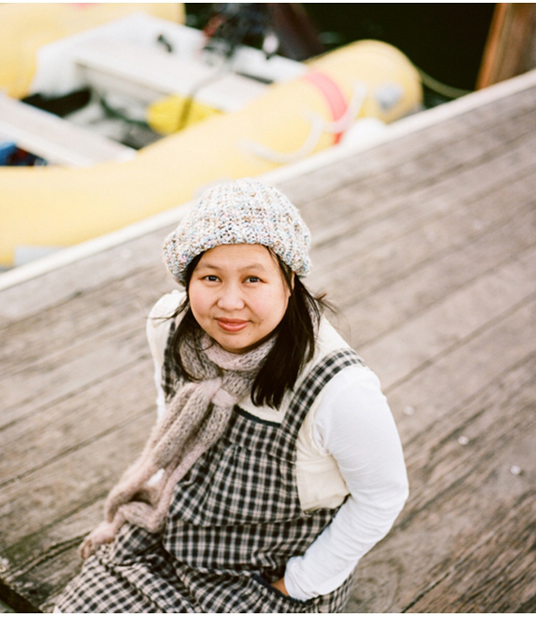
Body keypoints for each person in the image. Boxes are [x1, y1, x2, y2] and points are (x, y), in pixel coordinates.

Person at [55, 178, 408, 613]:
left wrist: (299, 582)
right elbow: (173, 416)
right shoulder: (169, 327)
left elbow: (382, 495)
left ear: (290, 280)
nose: (230, 301)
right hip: (169, 539)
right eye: (211, 277)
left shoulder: (339, 389)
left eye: (254, 279)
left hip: (262, 575)